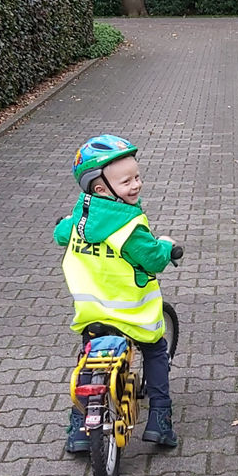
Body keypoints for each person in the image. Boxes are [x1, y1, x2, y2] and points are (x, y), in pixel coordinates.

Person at [54, 134, 182, 453]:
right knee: (155, 351)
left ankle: (81, 428)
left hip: (93, 314)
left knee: (89, 362)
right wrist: (166, 246)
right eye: (126, 181)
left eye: (137, 177)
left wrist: (63, 225)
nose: (136, 185)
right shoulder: (129, 227)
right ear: (102, 189)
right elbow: (152, 258)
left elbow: (60, 233)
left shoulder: (80, 219)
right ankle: (160, 420)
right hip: (133, 314)